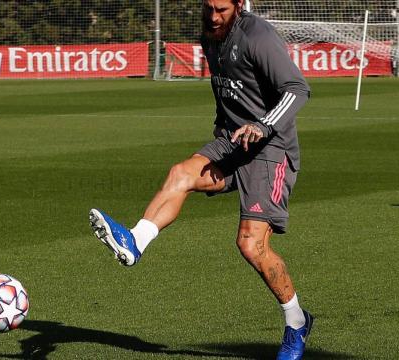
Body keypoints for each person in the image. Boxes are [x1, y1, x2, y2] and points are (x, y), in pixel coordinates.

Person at [89, 0, 312, 358]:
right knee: (181, 173)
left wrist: (263, 125)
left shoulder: (258, 35)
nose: (213, 15)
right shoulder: (211, 35)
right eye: (207, 7)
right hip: (233, 141)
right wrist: (224, 129)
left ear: (239, 4)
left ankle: (297, 323)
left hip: (271, 150)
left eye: (221, 8)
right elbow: (226, 91)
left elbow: (297, 89)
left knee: (251, 246)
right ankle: (135, 242)